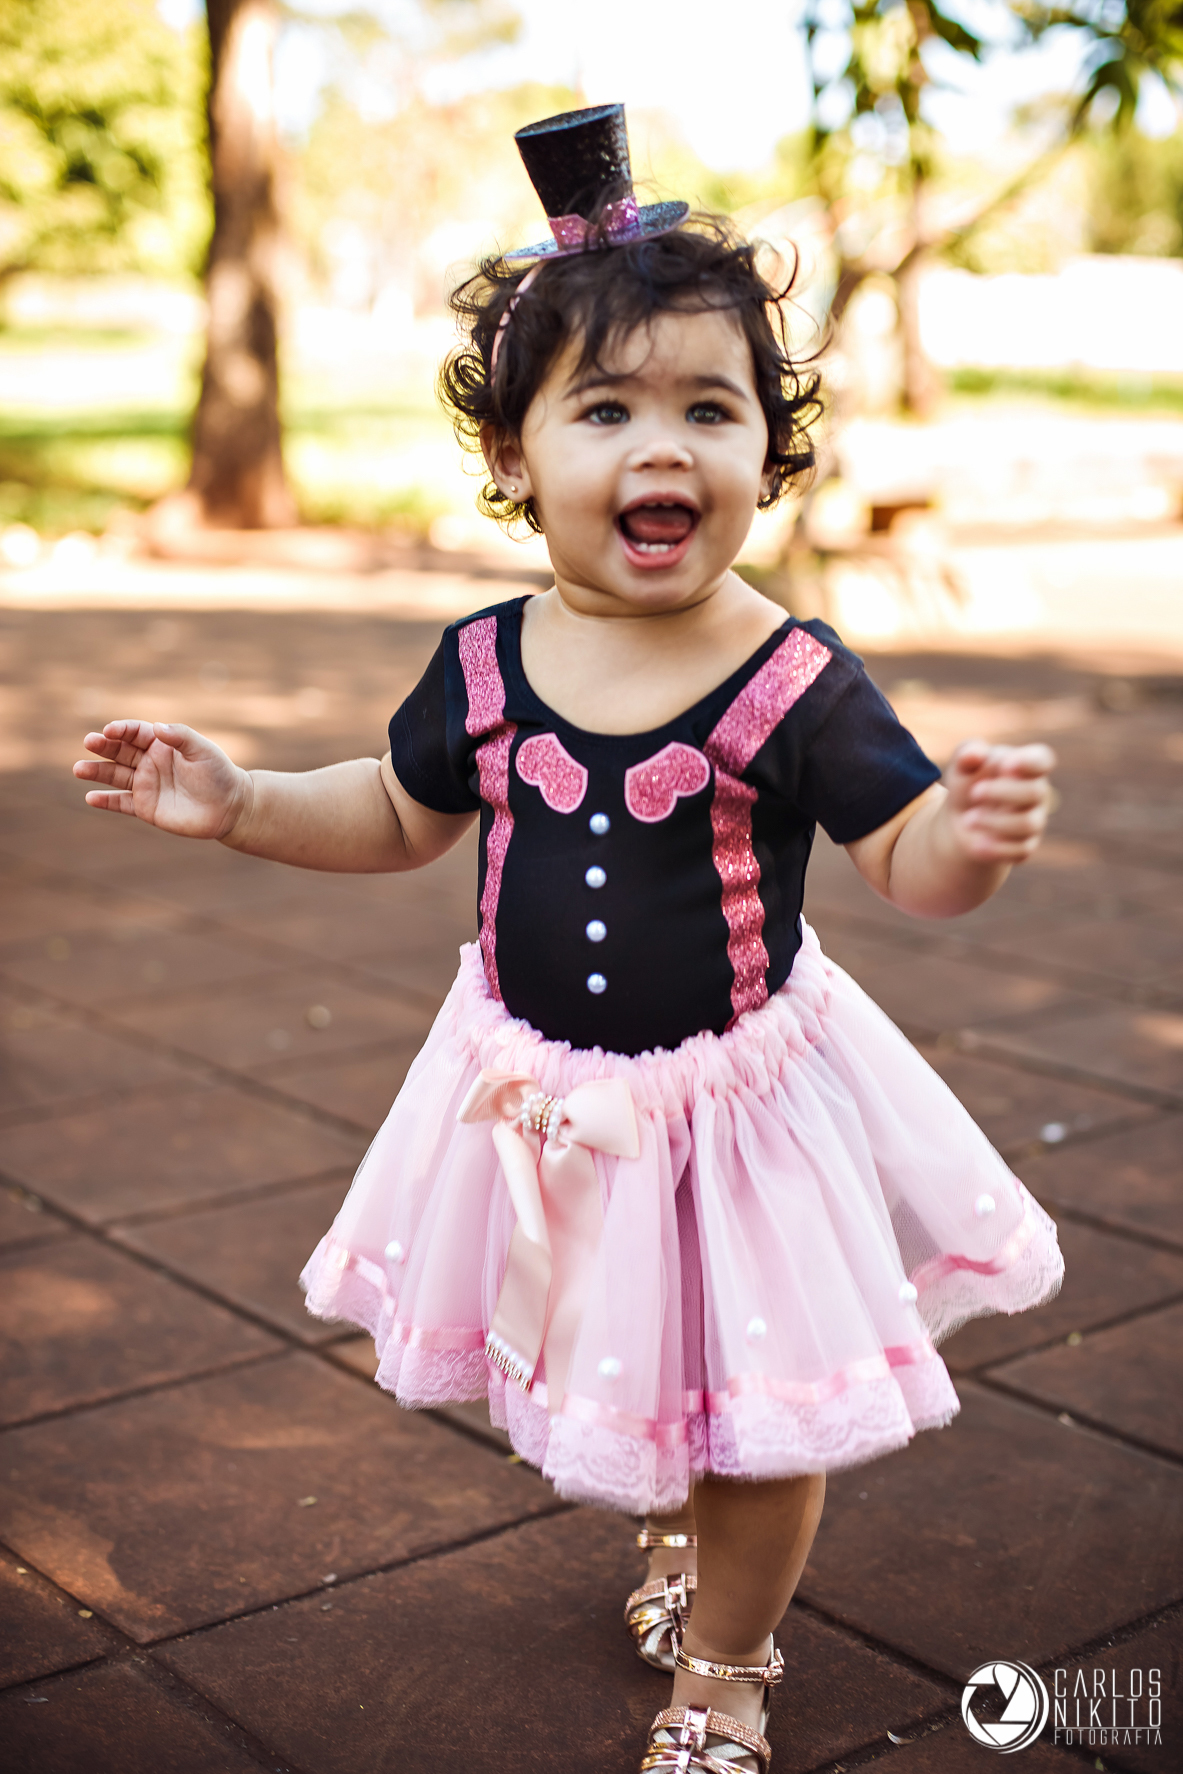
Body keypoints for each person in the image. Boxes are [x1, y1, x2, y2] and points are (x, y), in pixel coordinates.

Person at [73, 104, 1063, 1774]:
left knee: (757, 1407)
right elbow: (395, 813)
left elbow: (910, 860)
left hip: (730, 1118)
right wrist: (240, 799)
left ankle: (729, 1667)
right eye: (604, 408)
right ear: (519, 458)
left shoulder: (791, 676)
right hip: (539, 1098)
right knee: (641, 1342)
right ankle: (669, 1534)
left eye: (708, 408)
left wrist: (970, 835)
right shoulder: (483, 663)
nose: (658, 447)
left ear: (769, 451)